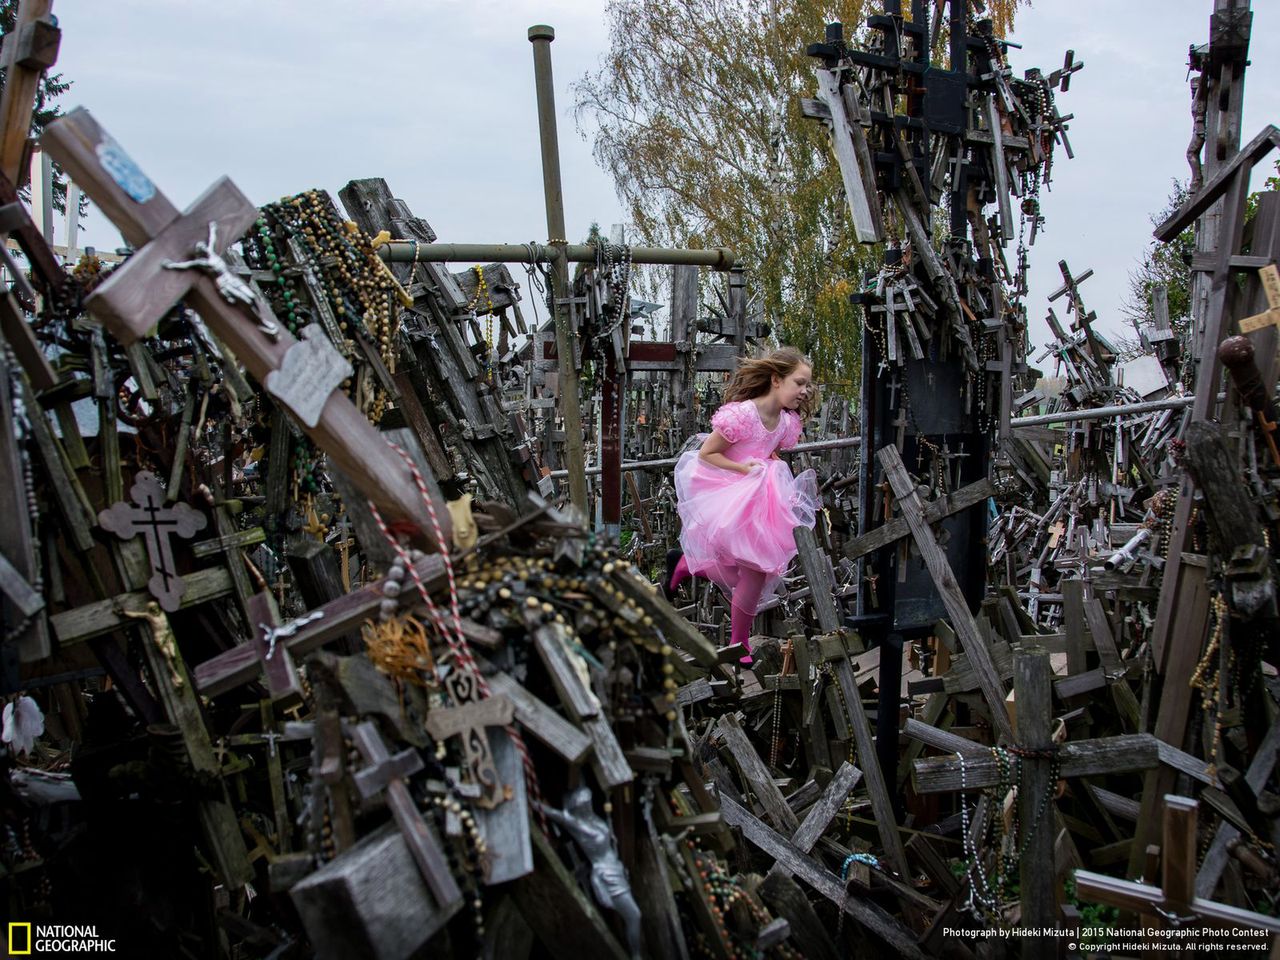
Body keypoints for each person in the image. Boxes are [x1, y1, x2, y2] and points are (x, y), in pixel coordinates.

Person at [665, 347, 820, 665]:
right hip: (726, 491)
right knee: (751, 573)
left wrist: (770, 461)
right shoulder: (742, 415)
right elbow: (708, 453)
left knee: (755, 573)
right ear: (777, 380)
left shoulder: (786, 422)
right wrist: (745, 469)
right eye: (799, 383)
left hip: (761, 497)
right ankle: (740, 644)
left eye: (808, 385)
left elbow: (769, 448)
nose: (805, 391)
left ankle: (684, 566)